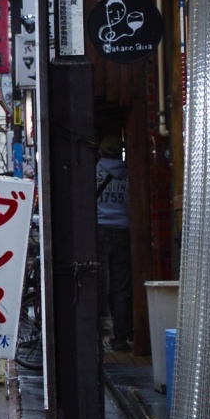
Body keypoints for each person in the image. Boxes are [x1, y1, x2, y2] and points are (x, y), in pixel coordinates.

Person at [96, 134, 132, 352]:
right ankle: (121, 339)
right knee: (121, 287)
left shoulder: (94, 171)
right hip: (123, 232)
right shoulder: (129, 173)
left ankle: (97, 333)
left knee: (99, 284)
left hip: (99, 231)